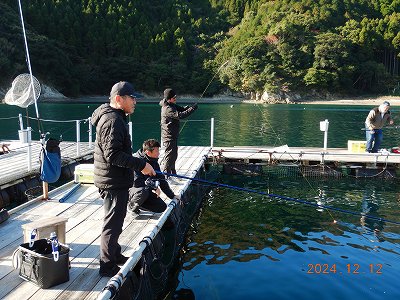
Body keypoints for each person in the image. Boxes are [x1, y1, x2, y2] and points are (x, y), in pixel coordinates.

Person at [91, 81, 155, 277]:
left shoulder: (115, 116)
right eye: (132, 98)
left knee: (117, 221)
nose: (135, 101)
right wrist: (142, 165)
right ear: (119, 99)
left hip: (114, 179)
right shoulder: (113, 121)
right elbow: (114, 156)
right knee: (112, 224)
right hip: (112, 181)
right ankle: (107, 265)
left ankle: (115, 254)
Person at [128, 139, 179, 215]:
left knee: (162, 207)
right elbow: (137, 183)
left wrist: (172, 196)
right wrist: (154, 187)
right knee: (142, 191)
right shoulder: (136, 162)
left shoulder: (153, 161)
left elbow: (162, 180)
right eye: (156, 151)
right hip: (131, 190)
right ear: (148, 152)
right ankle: (131, 206)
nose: (159, 153)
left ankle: (138, 205)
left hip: (145, 189)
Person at [159, 88, 198, 175]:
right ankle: (166, 174)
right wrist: (192, 109)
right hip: (168, 136)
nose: (175, 99)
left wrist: (188, 108)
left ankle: (172, 172)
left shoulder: (172, 104)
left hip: (173, 135)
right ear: (169, 98)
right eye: (174, 97)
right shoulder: (167, 108)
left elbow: (182, 110)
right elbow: (180, 115)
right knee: (169, 155)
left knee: (174, 155)